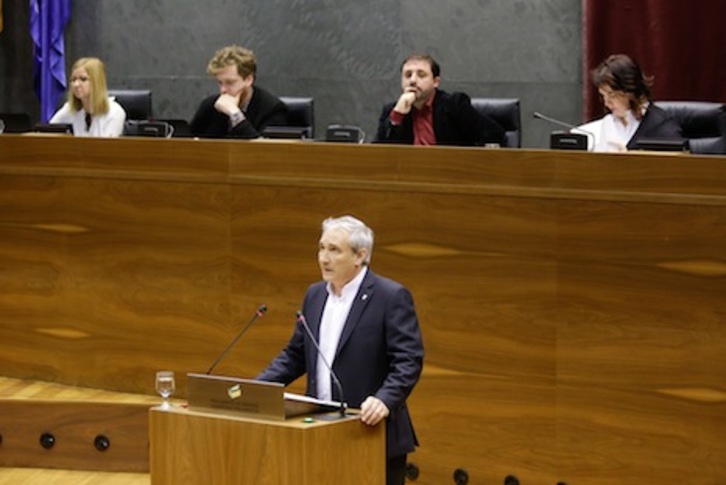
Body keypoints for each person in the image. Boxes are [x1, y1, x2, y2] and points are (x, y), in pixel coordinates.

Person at [257, 215, 424, 485]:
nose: (324, 258)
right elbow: (295, 356)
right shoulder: (315, 295)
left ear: (360, 256)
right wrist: (256, 389)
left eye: (334, 250)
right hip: (320, 432)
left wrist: (384, 399)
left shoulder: (390, 296)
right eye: (321, 248)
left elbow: (408, 360)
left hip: (370, 432)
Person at [375, 54, 505, 146]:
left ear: (435, 82)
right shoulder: (393, 111)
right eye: (408, 75)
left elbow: (494, 134)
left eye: (421, 75)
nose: (413, 80)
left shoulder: (454, 105)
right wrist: (398, 115)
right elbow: (379, 153)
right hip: (408, 178)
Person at [577, 53, 681, 152]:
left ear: (630, 90)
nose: (607, 103)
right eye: (603, 96)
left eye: (612, 95)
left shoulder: (663, 128)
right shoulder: (607, 124)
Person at [190, 45, 287, 139]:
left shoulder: (272, 109)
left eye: (230, 82)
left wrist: (235, 114)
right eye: (220, 83)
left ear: (248, 79)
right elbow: (187, 141)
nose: (223, 90)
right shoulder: (210, 106)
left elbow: (267, 151)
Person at [49, 57, 126, 137]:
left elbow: (107, 147)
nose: (76, 84)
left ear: (96, 82)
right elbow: (47, 132)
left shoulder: (115, 112)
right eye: (73, 79)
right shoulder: (69, 108)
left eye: (83, 79)